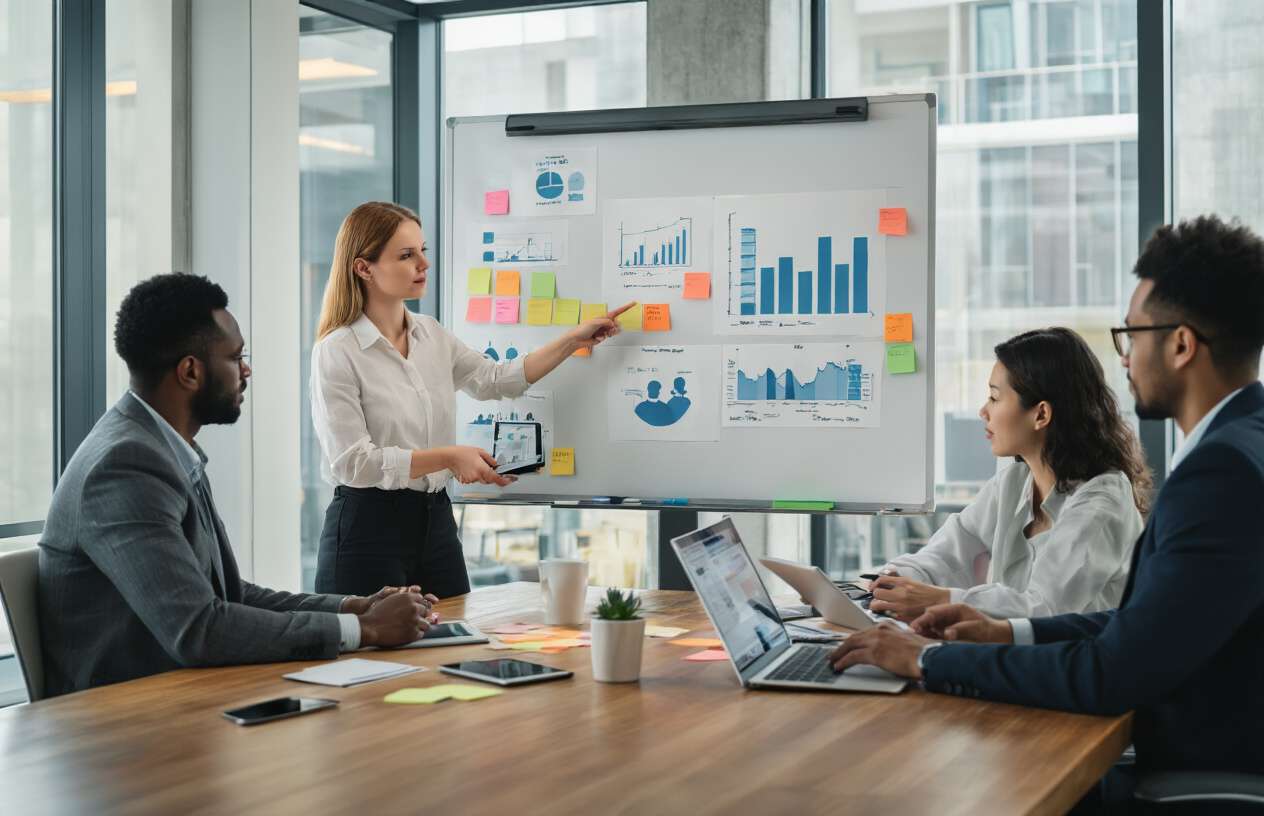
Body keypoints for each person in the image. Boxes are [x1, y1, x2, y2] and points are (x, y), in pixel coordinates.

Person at [829, 216, 1264, 806]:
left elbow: (1111, 671)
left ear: (1182, 344)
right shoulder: (1240, 447)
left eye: (1131, 336)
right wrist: (1005, 631)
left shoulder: (1220, 474)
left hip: (1188, 774)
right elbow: (1138, 627)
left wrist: (933, 661)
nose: (1126, 357)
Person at [38, 274, 434, 697]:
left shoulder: (162, 448)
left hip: (182, 692)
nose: (246, 370)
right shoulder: (124, 466)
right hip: (124, 720)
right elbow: (198, 628)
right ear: (190, 371)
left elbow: (229, 594)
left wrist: (353, 606)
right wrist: (365, 629)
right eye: (235, 357)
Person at [310, 201, 631, 599]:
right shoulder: (337, 350)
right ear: (364, 268)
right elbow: (353, 462)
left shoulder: (431, 334)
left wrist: (571, 341)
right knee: (376, 659)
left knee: (455, 646)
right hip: (366, 530)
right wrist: (449, 457)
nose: (424, 264)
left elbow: (496, 380)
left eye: (423, 250)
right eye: (407, 255)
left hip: (435, 522)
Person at [867, 327, 1150, 621]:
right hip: (1011, 659)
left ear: (1041, 414)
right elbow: (945, 553)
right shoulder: (1014, 482)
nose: (983, 411)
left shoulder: (1103, 501)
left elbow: (1044, 609)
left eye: (994, 398)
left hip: (1073, 664)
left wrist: (939, 599)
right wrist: (892, 577)